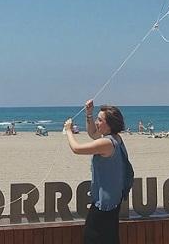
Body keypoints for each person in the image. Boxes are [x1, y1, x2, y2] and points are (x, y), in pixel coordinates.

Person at [64, 99, 133, 244]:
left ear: (109, 124)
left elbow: (76, 148)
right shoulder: (115, 138)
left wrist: (69, 131)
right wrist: (89, 114)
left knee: (92, 238)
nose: (96, 122)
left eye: (99, 120)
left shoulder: (107, 143)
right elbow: (93, 133)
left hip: (104, 207)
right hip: (113, 203)